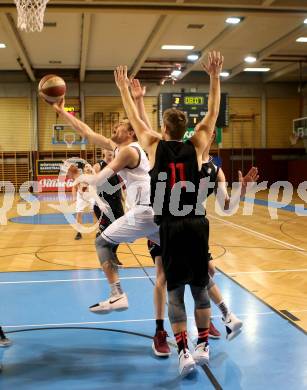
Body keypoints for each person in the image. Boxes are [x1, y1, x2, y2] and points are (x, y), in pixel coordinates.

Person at [114, 51, 223, 377]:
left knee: (175, 291)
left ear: (163, 128)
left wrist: (126, 92)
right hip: (197, 223)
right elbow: (214, 112)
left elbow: (136, 121)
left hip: (171, 227)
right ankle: (204, 343)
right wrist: (214, 77)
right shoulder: (199, 143)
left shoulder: (152, 144)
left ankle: (185, 351)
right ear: (189, 128)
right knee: (201, 289)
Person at [52, 101, 160, 317]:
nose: (114, 128)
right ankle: (225, 312)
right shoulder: (124, 149)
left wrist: (77, 177)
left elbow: (98, 179)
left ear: (130, 132)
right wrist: (61, 111)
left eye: (119, 126)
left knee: (102, 242)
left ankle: (117, 293)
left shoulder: (129, 151)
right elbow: (87, 132)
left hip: (144, 211)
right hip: (156, 214)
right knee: (185, 256)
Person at [93, 149, 125, 266]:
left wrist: (124, 198)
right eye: (107, 149)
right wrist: (99, 202)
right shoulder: (98, 166)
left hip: (116, 203)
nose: (110, 151)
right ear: (102, 151)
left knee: (120, 231)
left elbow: (120, 183)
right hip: (104, 204)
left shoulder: (118, 164)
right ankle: (107, 258)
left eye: (112, 149)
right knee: (107, 231)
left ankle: (113, 254)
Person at [71, 163, 97, 240]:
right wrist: (74, 197)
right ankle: (79, 232)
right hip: (81, 197)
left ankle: (98, 232)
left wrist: (93, 171)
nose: (88, 168)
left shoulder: (95, 177)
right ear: (83, 169)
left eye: (89, 166)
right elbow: (74, 187)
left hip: (91, 196)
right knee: (79, 213)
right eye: (86, 167)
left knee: (95, 213)